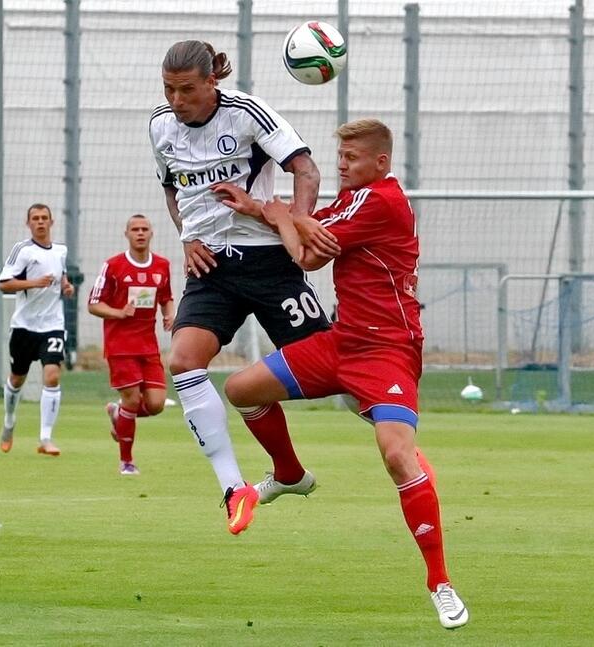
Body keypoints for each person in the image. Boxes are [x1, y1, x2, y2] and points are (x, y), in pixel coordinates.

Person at [215, 119, 469, 630]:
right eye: (340, 156)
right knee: (241, 389)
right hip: (342, 341)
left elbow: (306, 252)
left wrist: (278, 213)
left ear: (380, 162)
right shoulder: (355, 201)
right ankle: (289, 474)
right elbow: (304, 229)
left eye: (351, 158)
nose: (340, 164)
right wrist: (267, 211)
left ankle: (439, 582)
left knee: (397, 455)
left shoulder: (383, 201)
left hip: (388, 351)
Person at [149, 40, 339, 535]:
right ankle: (235, 488)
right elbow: (172, 188)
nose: (177, 100)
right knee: (184, 362)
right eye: (169, 89)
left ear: (211, 82)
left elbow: (306, 169)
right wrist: (188, 235)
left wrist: (298, 224)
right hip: (211, 267)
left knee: (333, 371)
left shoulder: (247, 112)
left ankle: (386, 430)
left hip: (270, 264)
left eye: (187, 89)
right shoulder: (160, 126)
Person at [88, 214, 174, 475]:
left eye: (144, 229)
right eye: (135, 229)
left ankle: (119, 414)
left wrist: (170, 313)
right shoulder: (113, 266)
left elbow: (166, 298)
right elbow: (94, 304)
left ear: (151, 234)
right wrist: (118, 313)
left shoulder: (161, 265)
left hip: (148, 346)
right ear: (126, 234)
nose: (140, 233)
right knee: (132, 399)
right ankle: (126, 461)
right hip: (120, 346)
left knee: (156, 403)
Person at [0, 203, 74, 456]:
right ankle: (9, 420)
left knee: (52, 375)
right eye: (35, 218)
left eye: (44, 218)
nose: (40, 222)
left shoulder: (61, 250)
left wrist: (66, 286)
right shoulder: (23, 250)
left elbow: (60, 274)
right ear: (28, 223)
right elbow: (4, 284)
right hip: (24, 326)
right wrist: (34, 283)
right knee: (17, 377)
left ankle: (45, 438)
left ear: (51, 222)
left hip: (52, 325)